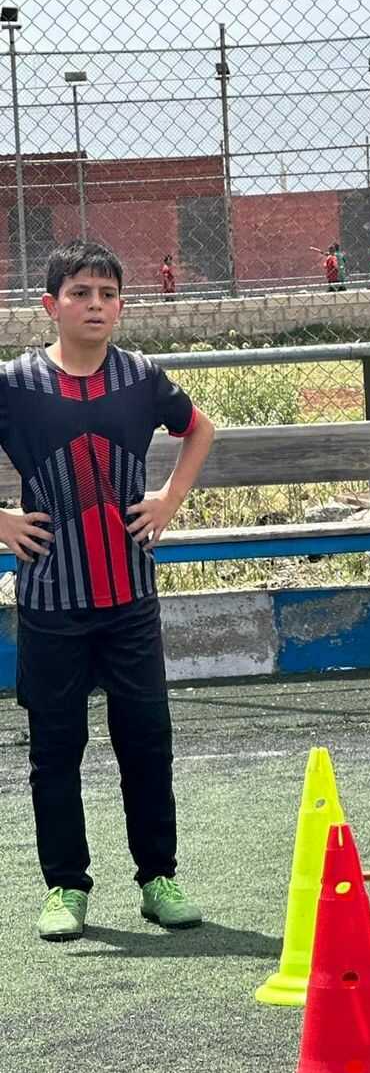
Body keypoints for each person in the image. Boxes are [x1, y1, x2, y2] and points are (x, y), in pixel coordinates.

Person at [0, 240, 216, 940]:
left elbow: (200, 430)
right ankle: (66, 886)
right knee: (55, 750)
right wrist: (2, 520)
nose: (95, 305)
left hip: (129, 599)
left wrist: (169, 500)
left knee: (147, 742)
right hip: (50, 602)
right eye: (81, 293)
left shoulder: (142, 377)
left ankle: (158, 878)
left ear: (121, 306)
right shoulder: (15, 383)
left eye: (108, 294)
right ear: (51, 304)